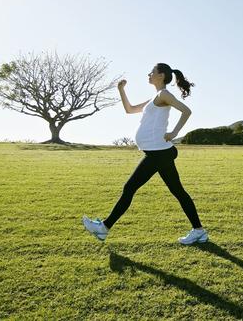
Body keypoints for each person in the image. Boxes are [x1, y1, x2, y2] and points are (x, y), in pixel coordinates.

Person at [82, 63, 208, 245]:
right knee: (178, 191)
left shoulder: (164, 94)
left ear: (161, 76)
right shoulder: (155, 98)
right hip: (159, 152)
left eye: (152, 72)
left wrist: (174, 133)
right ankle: (199, 231)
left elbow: (186, 111)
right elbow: (130, 109)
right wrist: (121, 90)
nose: (148, 74)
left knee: (130, 187)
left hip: (158, 152)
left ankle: (104, 228)